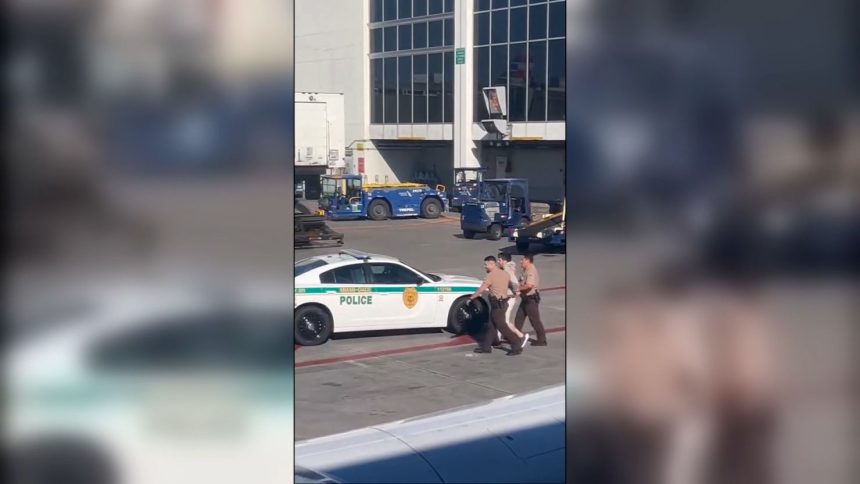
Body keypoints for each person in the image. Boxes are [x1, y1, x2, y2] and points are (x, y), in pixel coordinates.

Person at [469, 256, 527, 355]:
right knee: (491, 325)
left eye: (486, 264)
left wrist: (471, 298)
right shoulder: (504, 273)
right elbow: (513, 285)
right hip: (503, 302)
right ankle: (486, 347)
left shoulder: (491, 275)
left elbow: (482, 289)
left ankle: (516, 344)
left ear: (492, 264)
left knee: (502, 326)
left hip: (497, 305)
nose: (484, 266)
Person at [495, 252, 528, 346]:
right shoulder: (504, 269)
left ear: (505, 261)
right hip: (506, 298)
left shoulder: (507, 270)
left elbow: (514, 283)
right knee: (501, 319)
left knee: (505, 321)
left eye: (500, 260)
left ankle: (521, 336)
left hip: (509, 298)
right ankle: (500, 336)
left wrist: (515, 292)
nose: (498, 261)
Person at [515, 254, 548, 346]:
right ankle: (516, 337)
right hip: (525, 299)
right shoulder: (525, 270)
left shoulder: (531, 270)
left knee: (535, 320)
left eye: (522, 260)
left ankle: (542, 340)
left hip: (531, 299)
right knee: (518, 319)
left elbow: (529, 285)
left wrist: (518, 289)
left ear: (527, 260)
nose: (520, 262)